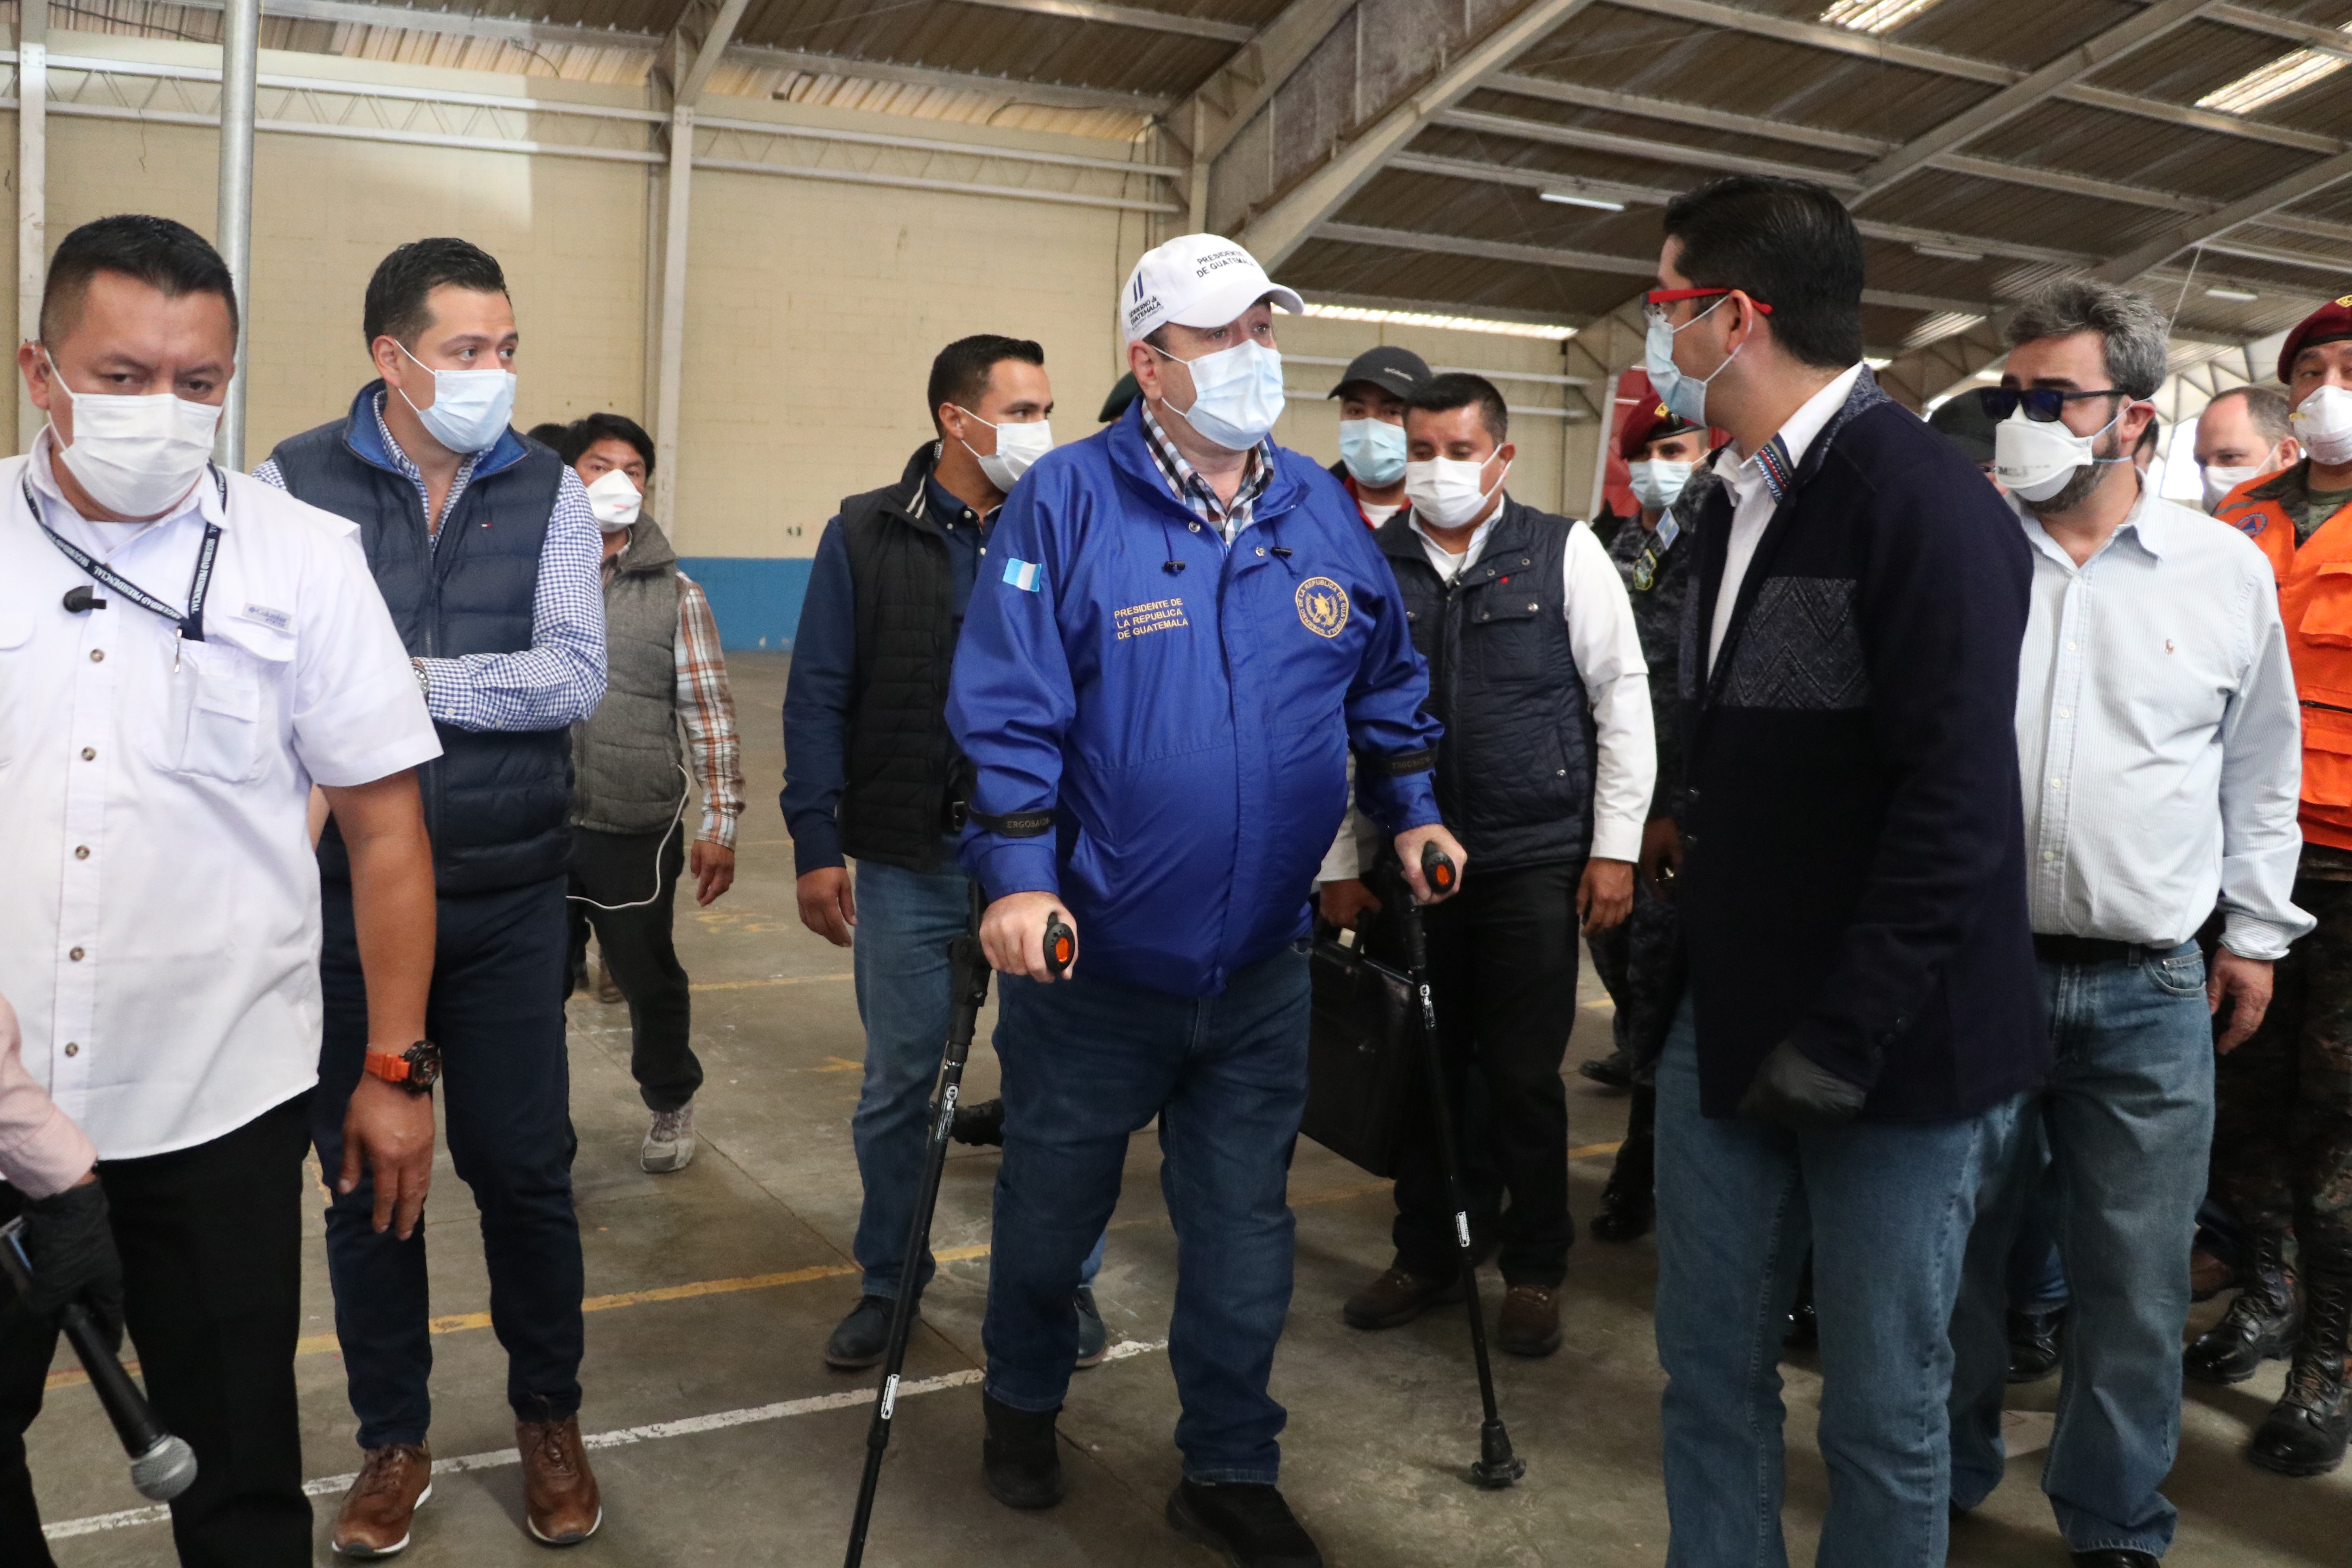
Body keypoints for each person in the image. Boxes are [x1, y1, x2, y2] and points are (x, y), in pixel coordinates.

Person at [948, 232, 1458, 1568]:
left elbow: (1384, 679)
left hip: (1259, 966)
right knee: (1051, 1213)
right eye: (1223, 337)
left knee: (1243, 1234)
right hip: (1092, 966)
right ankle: (1021, 1401)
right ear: (1150, 363)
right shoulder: (1062, 503)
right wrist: (1015, 881)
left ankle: (1228, 1467)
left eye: (1263, 333)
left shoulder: (1314, 505)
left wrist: (1412, 813)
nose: (1254, 361)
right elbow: (1008, 713)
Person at [0, 215, 442, 1566]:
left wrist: (394, 1069)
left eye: (199, 384)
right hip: (5, 1108)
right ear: (41, 373)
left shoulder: (300, 556)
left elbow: (385, 833)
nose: (163, 412)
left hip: (219, 1104)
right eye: (122, 376)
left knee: (242, 1473)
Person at [1643, 176, 2041, 1566]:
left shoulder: (1920, 502)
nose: (1657, 340)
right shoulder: (1728, 501)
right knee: (1707, 1373)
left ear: (1734, 317)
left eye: (1665, 309)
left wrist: (1843, 1030)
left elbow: (1956, 807)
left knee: (1879, 1407)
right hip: (1730, 1012)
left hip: (1887, 1046)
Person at [1945, 280, 2308, 1567]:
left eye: (2055, 400)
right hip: (1972, 979)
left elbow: (2260, 766)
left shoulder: (2218, 573)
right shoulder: (1967, 553)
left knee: (2133, 1286)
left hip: (2146, 989)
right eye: (2011, 397)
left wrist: (2253, 932)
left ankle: (2109, 1520)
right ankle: (1945, 1470)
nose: (2025, 422)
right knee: (1958, 1264)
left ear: (2134, 419)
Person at [257, 236, 609, 1554]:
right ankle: (391, 1440)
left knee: (523, 1172)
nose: (494, 375)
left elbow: (570, 674)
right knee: (365, 1187)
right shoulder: (291, 485)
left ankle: (547, 1418)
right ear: (389, 358)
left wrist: (396, 687)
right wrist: (446, 688)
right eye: (467, 351)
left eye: (507, 349)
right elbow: (269, 682)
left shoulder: (552, 493)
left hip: (511, 895)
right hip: (344, 909)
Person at [782, 335, 1118, 1372]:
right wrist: (815, 839)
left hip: (1042, 861)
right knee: (900, 1086)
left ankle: (1059, 1286)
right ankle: (890, 1281)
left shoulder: (1070, 519)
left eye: (1046, 409)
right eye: (1020, 411)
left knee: (1056, 1083)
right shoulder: (863, 531)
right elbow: (819, 693)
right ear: (954, 419)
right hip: (906, 858)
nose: (1040, 431)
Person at [1327, 372, 1651, 1356]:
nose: (1434, 468)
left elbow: (1620, 697)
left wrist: (1613, 848)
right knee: (1423, 1072)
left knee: (1519, 1079)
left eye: (1457, 451)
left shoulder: (1563, 552)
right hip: (1409, 868)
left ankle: (1535, 1269)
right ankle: (1428, 1252)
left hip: (1528, 863)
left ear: (1500, 457)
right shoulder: (1363, 561)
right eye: (1420, 449)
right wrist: (1344, 858)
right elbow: (1333, 722)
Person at [2203, 294, 2352, 1477]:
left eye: (2348, 366)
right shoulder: (2236, 523)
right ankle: (2266, 1295)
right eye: (2310, 368)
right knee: (2238, 1117)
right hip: (2236, 861)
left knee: (2337, 1134)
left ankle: (2329, 1363)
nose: (2327, 384)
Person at [555, 412, 743, 1174]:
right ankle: (539, 1133)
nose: (618, 482)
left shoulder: (677, 592)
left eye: (633, 470)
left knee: (646, 975)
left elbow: (709, 711)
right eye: (600, 465)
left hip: (635, 823)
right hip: (537, 822)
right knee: (531, 989)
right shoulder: (531, 573)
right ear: (568, 477)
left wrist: (721, 819)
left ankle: (670, 1098)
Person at [1584, 395, 1722, 1245]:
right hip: (1616, 810)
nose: (1660, 464)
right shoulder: (1617, 548)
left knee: (1666, 988)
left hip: (1687, 815)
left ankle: (1644, 1161)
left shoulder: (1724, 540)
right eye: (1647, 451)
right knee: (1627, 976)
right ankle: (1646, 1142)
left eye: (1675, 448)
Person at [1326, 345, 1429, 527]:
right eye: (1357, 411)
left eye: (1392, 412)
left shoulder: (1450, 517)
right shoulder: (1309, 506)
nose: (1370, 428)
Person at [2194, 384, 2300, 514]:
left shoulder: (2323, 530)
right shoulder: (2201, 532)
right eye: (2202, 463)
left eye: (2230, 457)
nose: (2211, 475)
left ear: (2286, 454)